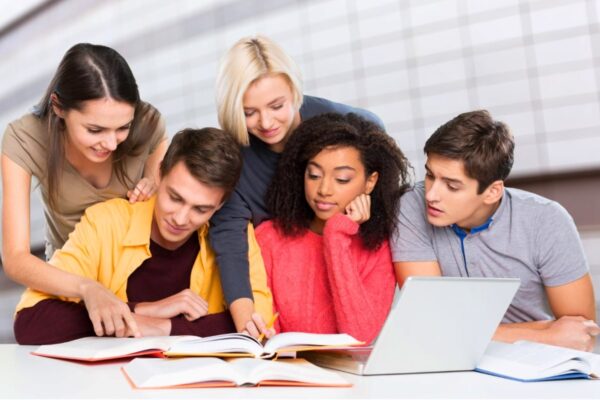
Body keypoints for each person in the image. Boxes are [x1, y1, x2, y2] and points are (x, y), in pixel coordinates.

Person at [13, 128, 273, 345]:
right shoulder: (106, 222)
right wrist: (139, 312)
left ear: (220, 205)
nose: (181, 218)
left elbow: (256, 326)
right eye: (175, 197)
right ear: (159, 174)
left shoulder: (234, 235)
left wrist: (163, 327)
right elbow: (31, 322)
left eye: (200, 209)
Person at [210, 35, 385, 335]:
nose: (266, 122)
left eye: (277, 106)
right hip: (283, 291)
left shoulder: (342, 122)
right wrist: (246, 318)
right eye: (249, 112)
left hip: (348, 270)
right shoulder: (234, 159)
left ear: (294, 90)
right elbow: (229, 240)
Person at [391, 110, 600, 351]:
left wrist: (459, 333)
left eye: (452, 186)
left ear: (492, 192)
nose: (431, 195)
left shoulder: (547, 220)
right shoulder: (410, 206)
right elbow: (431, 320)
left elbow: (581, 334)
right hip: (451, 358)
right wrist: (545, 334)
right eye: (430, 175)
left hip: (534, 359)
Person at [2, 43, 168, 338]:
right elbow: (15, 257)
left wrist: (156, 183)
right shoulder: (25, 138)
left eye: (123, 128)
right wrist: (87, 288)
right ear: (58, 106)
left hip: (138, 275)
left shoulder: (148, 124)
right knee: (35, 326)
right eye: (95, 130)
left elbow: (170, 207)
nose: (111, 143)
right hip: (71, 280)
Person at [254, 113, 410, 343]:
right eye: (314, 175)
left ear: (370, 182)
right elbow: (266, 336)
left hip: (347, 367)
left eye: (342, 179)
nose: (324, 189)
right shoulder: (269, 237)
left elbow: (359, 337)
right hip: (281, 365)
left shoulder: (379, 248)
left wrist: (337, 235)